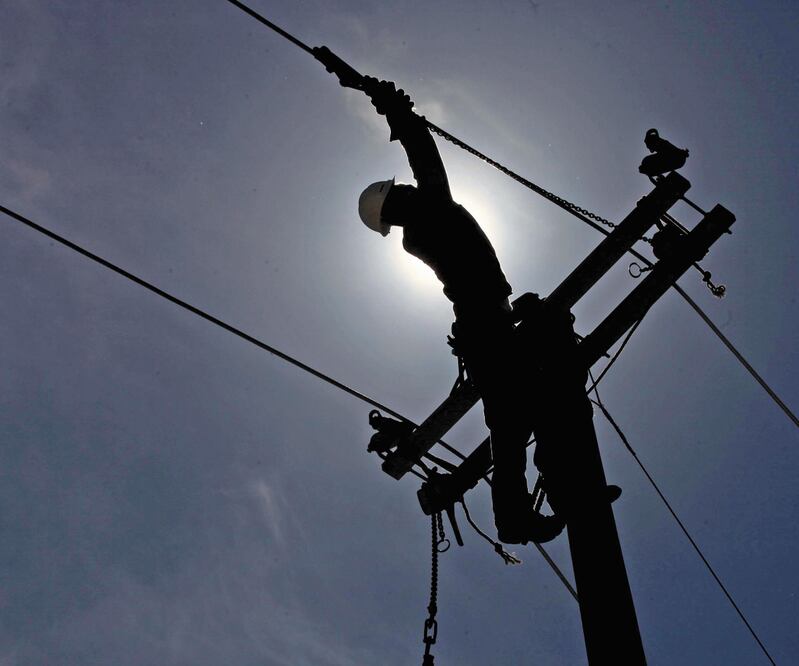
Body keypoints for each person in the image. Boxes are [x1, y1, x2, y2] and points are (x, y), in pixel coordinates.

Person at [357, 79, 564, 544]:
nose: (407, 185)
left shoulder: (421, 227)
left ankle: (553, 499)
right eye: (399, 188)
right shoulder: (429, 213)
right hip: (485, 325)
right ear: (396, 203)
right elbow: (424, 156)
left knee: (525, 415)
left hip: (485, 324)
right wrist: (394, 111)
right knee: (525, 415)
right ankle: (531, 509)